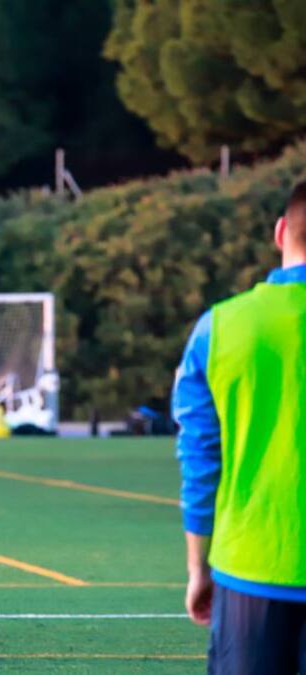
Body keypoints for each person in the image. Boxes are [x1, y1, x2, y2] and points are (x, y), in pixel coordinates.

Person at [173, 180, 306, 672]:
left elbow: (200, 456)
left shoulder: (219, 326)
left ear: (279, 232)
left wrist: (196, 567)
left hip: (250, 564)